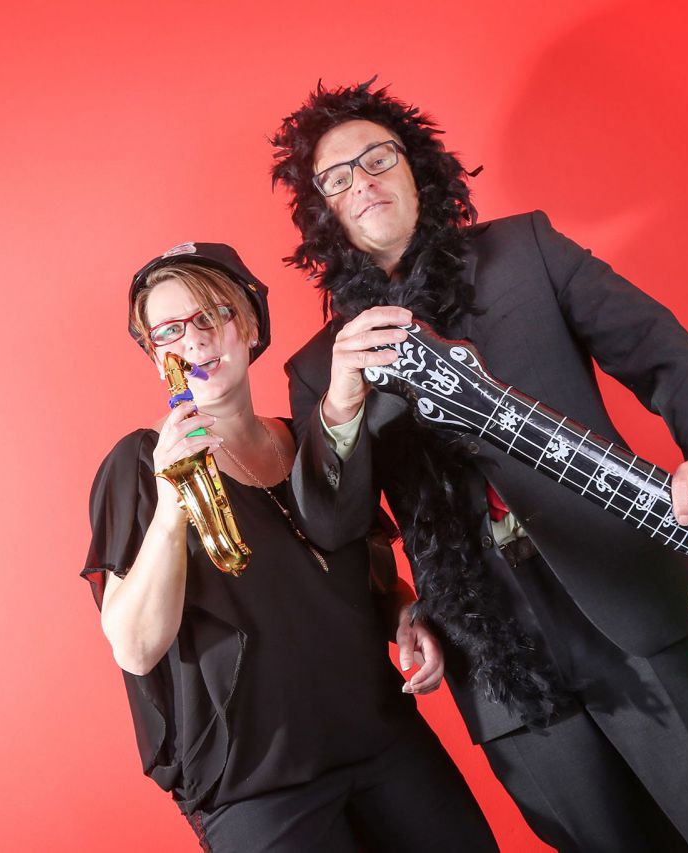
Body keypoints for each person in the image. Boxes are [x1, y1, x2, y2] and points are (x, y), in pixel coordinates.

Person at [271, 80, 688, 851]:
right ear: (322, 212)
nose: (361, 182)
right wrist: (340, 404)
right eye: (336, 178)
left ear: (416, 166)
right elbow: (336, 525)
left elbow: (657, 346)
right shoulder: (319, 369)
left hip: (629, 595)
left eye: (377, 158)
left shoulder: (523, 252)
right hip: (496, 658)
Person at [80, 242, 498, 852]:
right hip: (259, 787)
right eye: (168, 330)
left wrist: (404, 613)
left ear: (249, 326)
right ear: (153, 354)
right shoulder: (139, 464)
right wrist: (173, 504)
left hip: (384, 743)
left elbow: (367, 577)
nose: (193, 339)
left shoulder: (309, 440)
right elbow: (136, 648)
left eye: (211, 314)